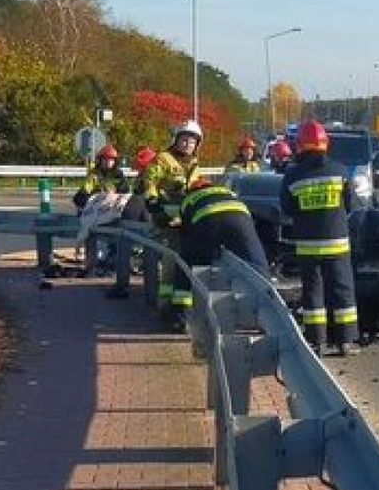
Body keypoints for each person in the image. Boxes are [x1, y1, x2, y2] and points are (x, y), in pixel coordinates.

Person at [279, 119, 361, 356]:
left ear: (299, 145)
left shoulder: (293, 176)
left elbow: (287, 209)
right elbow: (351, 205)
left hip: (308, 245)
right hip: (337, 243)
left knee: (313, 292)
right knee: (342, 290)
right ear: (326, 143)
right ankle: (346, 341)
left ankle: (317, 342)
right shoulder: (340, 171)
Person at [170, 178, 269, 317]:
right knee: (254, 259)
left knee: (187, 260)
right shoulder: (227, 192)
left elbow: (186, 230)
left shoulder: (189, 198)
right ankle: (268, 298)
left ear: (192, 190)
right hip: (239, 219)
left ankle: (180, 309)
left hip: (207, 221)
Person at [143, 120, 202, 332]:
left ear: (197, 145)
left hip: (187, 223)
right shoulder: (164, 159)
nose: (187, 144)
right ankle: (166, 307)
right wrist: (153, 203)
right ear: (176, 140)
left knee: (183, 264)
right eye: (184, 139)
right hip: (167, 221)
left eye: (192, 141)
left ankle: (176, 307)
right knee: (170, 264)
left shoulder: (195, 165)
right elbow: (149, 181)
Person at [106, 147, 157, 299]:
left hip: (139, 223)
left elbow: (135, 207)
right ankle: (151, 292)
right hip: (152, 223)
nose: (139, 170)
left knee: (124, 244)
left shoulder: (146, 181)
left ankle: (122, 286)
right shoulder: (151, 179)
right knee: (152, 253)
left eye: (141, 167)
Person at [73, 144, 129, 209]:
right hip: (97, 207)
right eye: (105, 159)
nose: (108, 162)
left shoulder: (118, 174)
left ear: (115, 161)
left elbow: (125, 192)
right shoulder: (95, 174)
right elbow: (85, 191)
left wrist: (114, 195)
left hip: (113, 207)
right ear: (100, 160)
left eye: (111, 159)